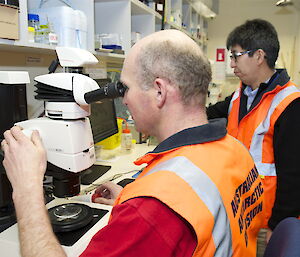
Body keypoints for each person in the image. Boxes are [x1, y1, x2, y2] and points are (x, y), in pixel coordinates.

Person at [1, 29, 264, 257]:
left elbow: (167, 211)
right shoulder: (235, 149)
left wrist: (26, 191)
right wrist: (131, 201)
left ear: (159, 91)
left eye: (125, 88)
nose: (123, 101)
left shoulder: (155, 209)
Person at [207, 19, 300, 243]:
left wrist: (277, 225)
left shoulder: (289, 104)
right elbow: (205, 115)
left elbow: (293, 176)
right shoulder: (241, 96)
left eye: (235, 55)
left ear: (259, 56)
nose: (231, 64)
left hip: (266, 223)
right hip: (240, 213)